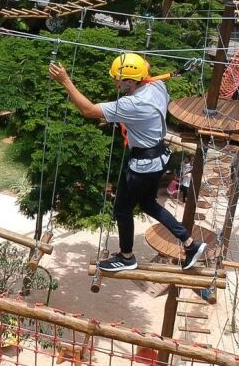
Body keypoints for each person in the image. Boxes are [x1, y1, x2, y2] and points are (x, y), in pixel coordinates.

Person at [49, 53, 207, 272]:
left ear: (131, 82)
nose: (115, 82)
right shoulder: (157, 86)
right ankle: (190, 244)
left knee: (122, 210)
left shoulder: (132, 104)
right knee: (148, 204)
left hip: (143, 164)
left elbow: (88, 110)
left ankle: (126, 257)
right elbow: (147, 68)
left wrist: (65, 81)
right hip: (158, 157)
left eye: (118, 78)